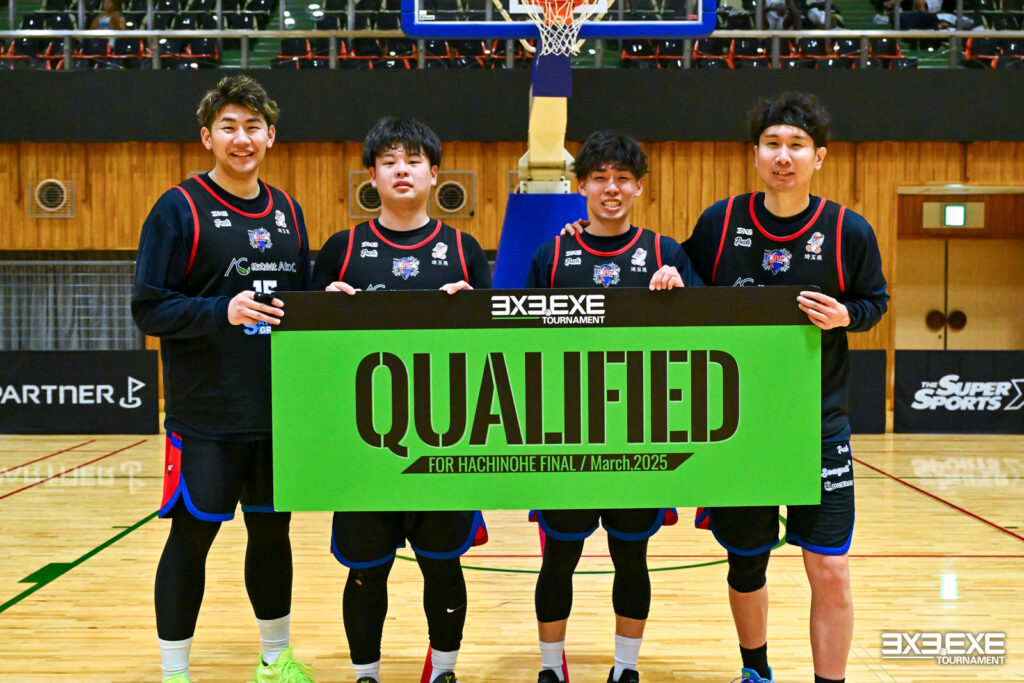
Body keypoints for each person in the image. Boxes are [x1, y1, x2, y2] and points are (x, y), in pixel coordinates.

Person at [681, 91, 889, 683]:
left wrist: (847, 315)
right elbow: (682, 277)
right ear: (755, 154)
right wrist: (657, 266)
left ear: (818, 157)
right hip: (738, 429)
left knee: (830, 569)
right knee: (746, 564)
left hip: (817, 427)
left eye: (797, 145)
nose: (783, 155)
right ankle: (757, 671)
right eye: (772, 143)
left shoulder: (848, 230)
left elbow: (874, 302)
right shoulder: (721, 223)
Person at [132, 75, 316, 683]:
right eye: (229, 127)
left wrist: (332, 302)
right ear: (207, 136)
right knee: (192, 540)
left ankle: (275, 659)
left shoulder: (288, 211)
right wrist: (221, 310)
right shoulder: (177, 208)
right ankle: (175, 672)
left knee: (272, 538)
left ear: (271, 137)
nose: (243, 139)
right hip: (206, 417)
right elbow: (149, 309)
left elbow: (300, 305)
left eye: (253, 127)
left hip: (274, 415)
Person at [311, 116, 491, 683]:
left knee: (443, 566)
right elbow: (307, 357)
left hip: (443, 443)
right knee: (366, 572)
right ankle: (366, 674)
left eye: (413, 161)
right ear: (372, 176)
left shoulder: (464, 250)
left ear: (435, 174)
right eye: (389, 161)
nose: (401, 170)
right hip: (364, 447)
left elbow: (496, 352)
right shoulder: (341, 250)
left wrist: (473, 312)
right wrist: (324, 310)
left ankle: (444, 671)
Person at [526, 131, 703, 683]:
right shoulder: (553, 253)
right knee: (559, 558)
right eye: (599, 177)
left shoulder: (666, 253)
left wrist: (680, 292)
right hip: (567, 436)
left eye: (623, 178)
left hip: (637, 435)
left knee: (632, 557)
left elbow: (706, 331)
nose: (611, 188)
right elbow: (516, 336)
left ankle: (626, 668)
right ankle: (551, 669)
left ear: (639, 188)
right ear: (581, 186)